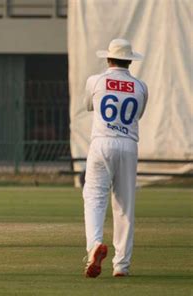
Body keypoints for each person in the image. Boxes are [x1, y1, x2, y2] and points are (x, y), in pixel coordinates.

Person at [82, 39, 148, 278]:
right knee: (124, 206)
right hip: (129, 144)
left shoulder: (95, 81)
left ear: (108, 59)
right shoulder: (141, 86)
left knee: (94, 198)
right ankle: (121, 265)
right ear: (130, 61)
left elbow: (90, 106)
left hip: (102, 142)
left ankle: (94, 247)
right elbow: (138, 114)